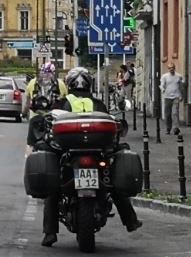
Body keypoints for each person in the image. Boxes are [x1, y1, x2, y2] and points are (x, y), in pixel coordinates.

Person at [37, 66, 140, 246]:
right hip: (96, 151)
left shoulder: (62, 103)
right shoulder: (98, 103)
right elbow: (110, 121)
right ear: (89, 84)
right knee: (113, 185)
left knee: (54, 188)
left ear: (69, 84)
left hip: (70, 151)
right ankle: (130, 220)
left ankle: (50, 232)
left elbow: (50, 121)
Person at [24, 62, 66, 148]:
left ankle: (30, 156)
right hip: (54, 119)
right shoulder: (60, 84)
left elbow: (28, 103)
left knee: (31, 146)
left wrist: (24, 113)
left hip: (35, 118)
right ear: (54, 72)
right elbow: (65, 102)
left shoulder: (33, 82)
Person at [160, 62, 185, 135]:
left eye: (172, 68)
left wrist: (181, 96)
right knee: (167, 114)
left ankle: (175, 128)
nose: (171, 69)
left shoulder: (179, 76)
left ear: (174, 68)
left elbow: (181, 87)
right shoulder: (165, 76)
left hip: (176, 96)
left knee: (175, 113)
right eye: (170, 68)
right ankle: (168, 128)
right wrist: (163, 89)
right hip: (167, 97)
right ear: (168, 69)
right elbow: (162, 85)